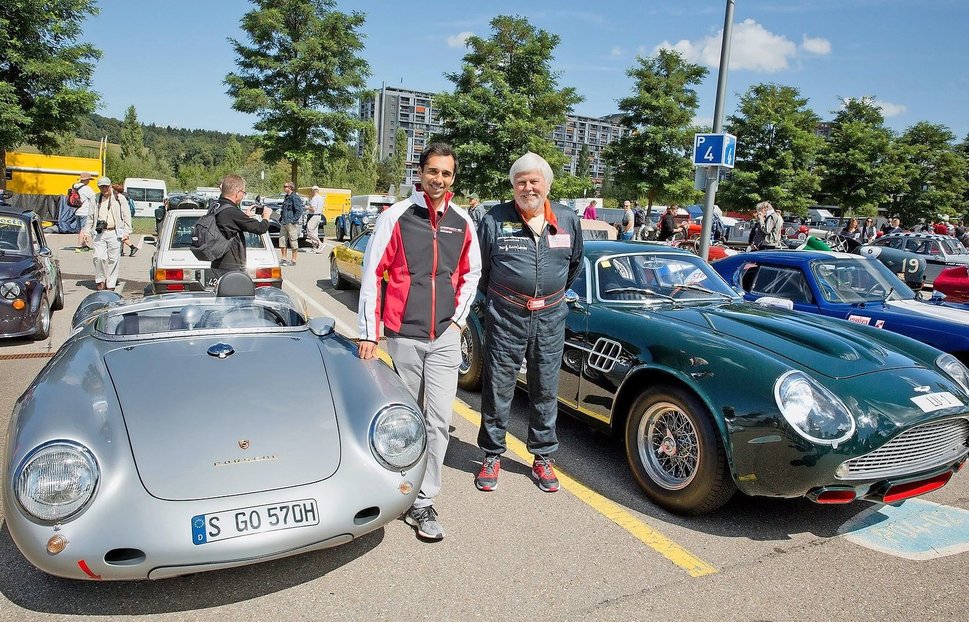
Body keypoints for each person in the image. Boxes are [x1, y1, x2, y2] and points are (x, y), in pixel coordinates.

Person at [358, 142, 481, 541]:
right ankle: (396, 489)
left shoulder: (462, 222)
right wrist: (368, 334)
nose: (439, 179)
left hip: (445, 336)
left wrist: (459, 323)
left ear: (453, 178)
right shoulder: (396, 216)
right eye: (433, 172)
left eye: (446, 173)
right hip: (403, 335)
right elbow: (372, 275)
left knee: (438, 420)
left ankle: (423, 500)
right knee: (401, 421)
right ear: (420, 172)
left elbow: (471, 274)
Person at [474, 152, 583, 494]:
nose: (528, 187)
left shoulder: (567, 219)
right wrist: (508, 298)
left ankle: (543, 457)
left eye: (534, 181)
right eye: (521, 181)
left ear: (547, 185)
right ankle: (492, 454)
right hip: (506, 316)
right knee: (498, 387)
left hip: (550, 317)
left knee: (546, 389)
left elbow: (574, 265)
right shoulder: (494, 219)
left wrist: (548, 298)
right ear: (512, 185)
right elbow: (480, 270)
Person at [210, 174, 272, 280]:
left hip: (217, 261)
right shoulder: (232, 211)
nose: (243, 195)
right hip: (230, 265)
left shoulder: (216, 207)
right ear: (237, 193)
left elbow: (229, 225)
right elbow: (260, 228)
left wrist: (245, 216)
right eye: (243, 192)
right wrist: (266, 216)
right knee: (233, 295)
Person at [87, 177, 131, 290]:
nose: (104, 188)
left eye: (106, 186)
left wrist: (127, 231)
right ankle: (100, 280)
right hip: (99, 232)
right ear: (99, 187)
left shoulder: (119, 198)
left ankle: (111, 284)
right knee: (98, 257)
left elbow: (127, 215)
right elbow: (90, 216)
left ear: (110, 186)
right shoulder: (95, 198)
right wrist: (87, 231)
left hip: (114, 232)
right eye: (101, 186)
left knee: (113, 259)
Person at [112, 183, 142, 257]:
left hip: (121, 220)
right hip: (123, 220)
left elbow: (123, 211)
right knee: (121, 236)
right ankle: (121, 250)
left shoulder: (119, 197)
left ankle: (132, 247)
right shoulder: (125, 197)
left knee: (121, 236)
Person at [278, 181, 304, 266]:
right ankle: (284, 258)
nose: (284, 187)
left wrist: (293, 220)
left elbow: (299, 210)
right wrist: (281, 218)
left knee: (293, 241)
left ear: (290, 188)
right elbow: (284, 210)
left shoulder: (295, 197)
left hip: (291, 223)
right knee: (282, 240)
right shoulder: (286, 197)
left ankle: (293, 260)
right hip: (284, 222)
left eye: (285, 186)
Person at [72, 172, 97, 252]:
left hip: (76, 211)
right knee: (84, 229)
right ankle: (79, 246)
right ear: (86, 180)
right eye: (89, 179)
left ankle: (84, 245)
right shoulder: (86, 188)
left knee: (80, 229)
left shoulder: (75, 186)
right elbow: (93, 198)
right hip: (84, 211)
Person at [305, 186, 324, 253]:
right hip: (319, 216)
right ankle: (315, 247)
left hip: (314, 216)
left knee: (309, 230)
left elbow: (313, 209)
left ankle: (320, 243)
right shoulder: (321, 198)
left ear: (313, 191)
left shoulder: (314, 198)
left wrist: (307, 207)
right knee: (314, 232)